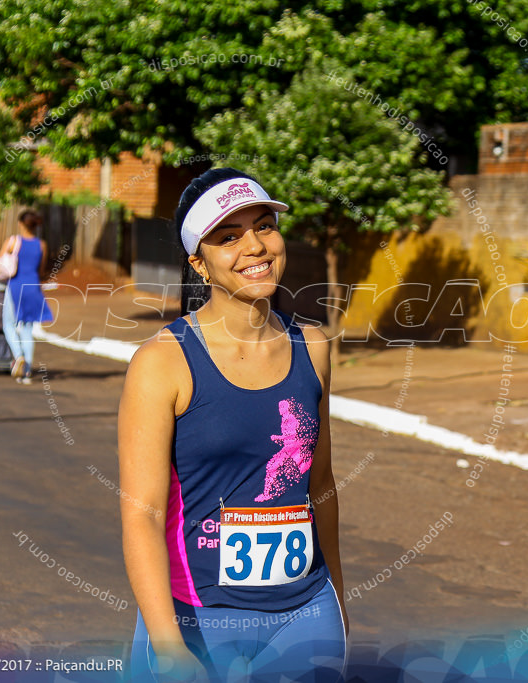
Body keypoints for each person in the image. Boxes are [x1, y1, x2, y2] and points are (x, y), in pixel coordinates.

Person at [118, 168, 348, 682]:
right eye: (229, 236)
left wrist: (337, 601)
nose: (255, 246)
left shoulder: (312, 347)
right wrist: (167, 647)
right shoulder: (163, 363)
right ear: (198, 262)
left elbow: (321, 485)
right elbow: (142, 516)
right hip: (197, 618)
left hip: (305, 615)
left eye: (264, 225)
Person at [0, 210, 52, 384]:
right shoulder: (42, 245)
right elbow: (41, 271)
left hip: (15, 287)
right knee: (27, 330)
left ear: (21, 224)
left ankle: (19, 356)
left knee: (8, 324)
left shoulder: (13, 242)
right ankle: (26, 373)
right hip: (33, 288)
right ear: (35, 225)